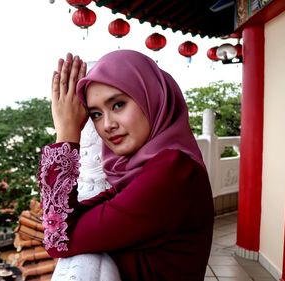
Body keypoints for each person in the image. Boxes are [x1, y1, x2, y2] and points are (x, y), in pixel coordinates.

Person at [38, 50, 214, 280]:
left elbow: (59, 239)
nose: (108, 125)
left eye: (118, 104)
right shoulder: (146, 169)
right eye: (96, 114)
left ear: (152, 97)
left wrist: (67, 131)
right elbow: (68, 220)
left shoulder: (173, 172)